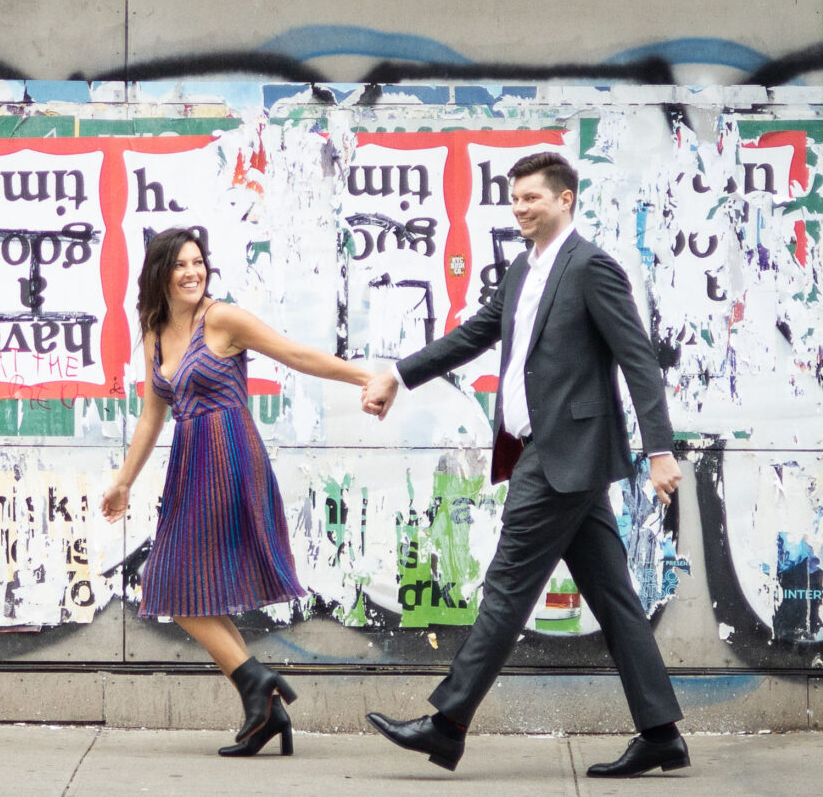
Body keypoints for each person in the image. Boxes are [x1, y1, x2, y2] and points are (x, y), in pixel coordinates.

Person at [359, 150, 689, 780]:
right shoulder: (523, 269)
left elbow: (638, 360)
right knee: (617, 601)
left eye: (531, 197)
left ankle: (448, 724)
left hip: (558, 457)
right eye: (513, 199)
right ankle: (661, 733)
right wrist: (398, 374)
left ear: (565, 198)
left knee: (507, 588)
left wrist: (660, 450)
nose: (519, 207)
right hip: (559, 462)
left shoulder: (591, 268)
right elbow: (474, 334)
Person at [101, 226, 382, 758]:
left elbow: (294, 354)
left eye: (198, 262)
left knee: (174, 581)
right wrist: (123, 481)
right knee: (190, 586)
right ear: (159, 274)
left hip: (230, 453)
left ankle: (257, 685)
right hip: (190, 458)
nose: (192, 272)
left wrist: (362, 377)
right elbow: (152, 415)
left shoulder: (222, 318)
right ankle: (262, 705)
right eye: (180, 264)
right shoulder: (155, 331)